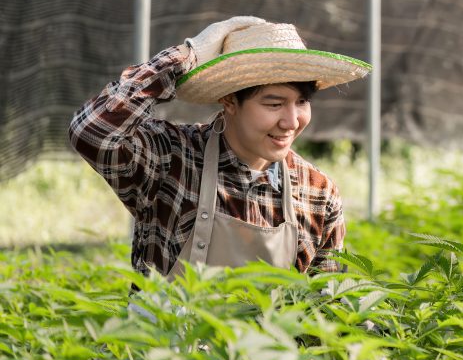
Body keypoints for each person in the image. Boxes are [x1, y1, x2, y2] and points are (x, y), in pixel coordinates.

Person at [70, 16, 370, 279]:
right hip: (169, 344)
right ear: (229, 101)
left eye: (302, 102)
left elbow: (328, 307)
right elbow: (92, 131)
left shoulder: (317, 192)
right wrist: (184, 56)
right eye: (274, 104)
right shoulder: (172, 158)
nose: (291, 121)